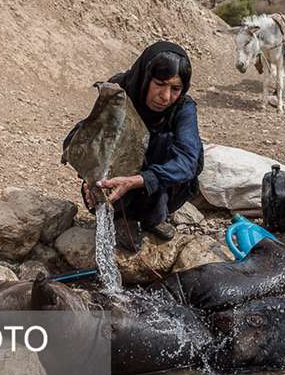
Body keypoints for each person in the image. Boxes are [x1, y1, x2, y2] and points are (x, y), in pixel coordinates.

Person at [82, 41, 203, 252]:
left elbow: (187, 161)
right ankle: (120, 217)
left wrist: (139, 180)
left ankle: (154, 217)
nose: (165, 97)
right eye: (159, 83)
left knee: (167, 143)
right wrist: (89, 175)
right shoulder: (120, 92)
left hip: (157, 188)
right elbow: (90, 136)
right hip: (113, 184)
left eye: (175, 88)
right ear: (146, 77)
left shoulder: (183, 108)